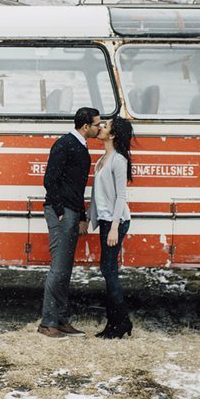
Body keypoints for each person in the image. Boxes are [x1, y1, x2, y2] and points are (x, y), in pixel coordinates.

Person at [38, 107, 102, 339]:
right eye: (97, 124)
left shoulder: (80, 145)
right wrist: (60, 211)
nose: (100, 128)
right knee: (59, 268)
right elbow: (50, 179)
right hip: (61, 211)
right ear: (85, 126)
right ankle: (48, 323)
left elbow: (76, 187)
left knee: (65, 269)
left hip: (71, 211)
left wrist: (81, 216)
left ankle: (61, 320)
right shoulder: (65, 144)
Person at [85, 116, 135, 339]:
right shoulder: (102, 159)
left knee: (109, 271)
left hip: (117, 222)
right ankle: (116, 323)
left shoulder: (118, 160)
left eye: (105, 127)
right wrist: (89, 218)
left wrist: (114, 227)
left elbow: (121, 197)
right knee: (107, 271)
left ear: (112, 135)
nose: (101, 128)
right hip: (106, 221)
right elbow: (98, 196)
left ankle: (121, 322)